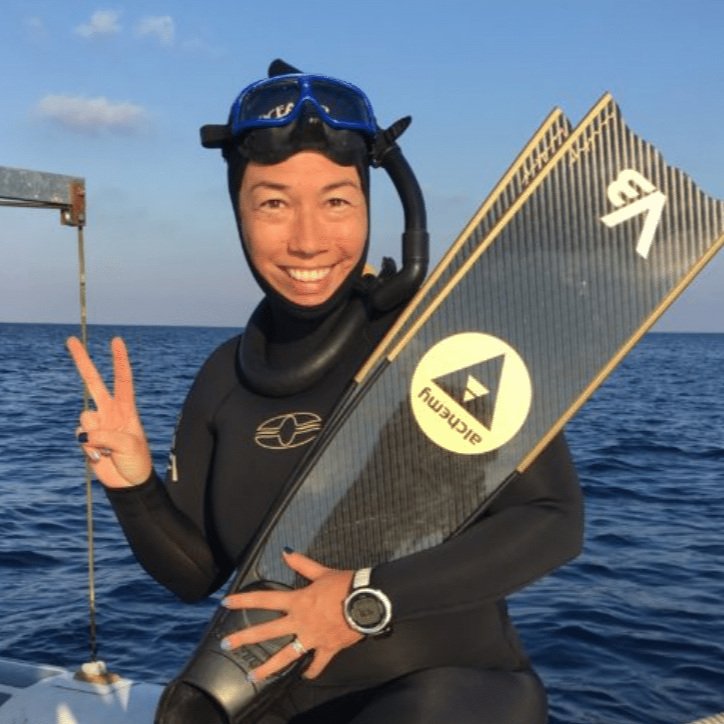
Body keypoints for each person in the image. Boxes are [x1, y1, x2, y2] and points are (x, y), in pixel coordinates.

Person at [68, 61, 583, 723]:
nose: (308, 240)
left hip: (452, 695)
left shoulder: (441, 347)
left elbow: (552, 519)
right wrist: (134, 487)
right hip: (286, 701)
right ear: (239, 214)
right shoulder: (224, 378)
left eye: (336, 201)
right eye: (274, 203)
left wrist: (363, 600)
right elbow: (194, 575)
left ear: (370, 205)